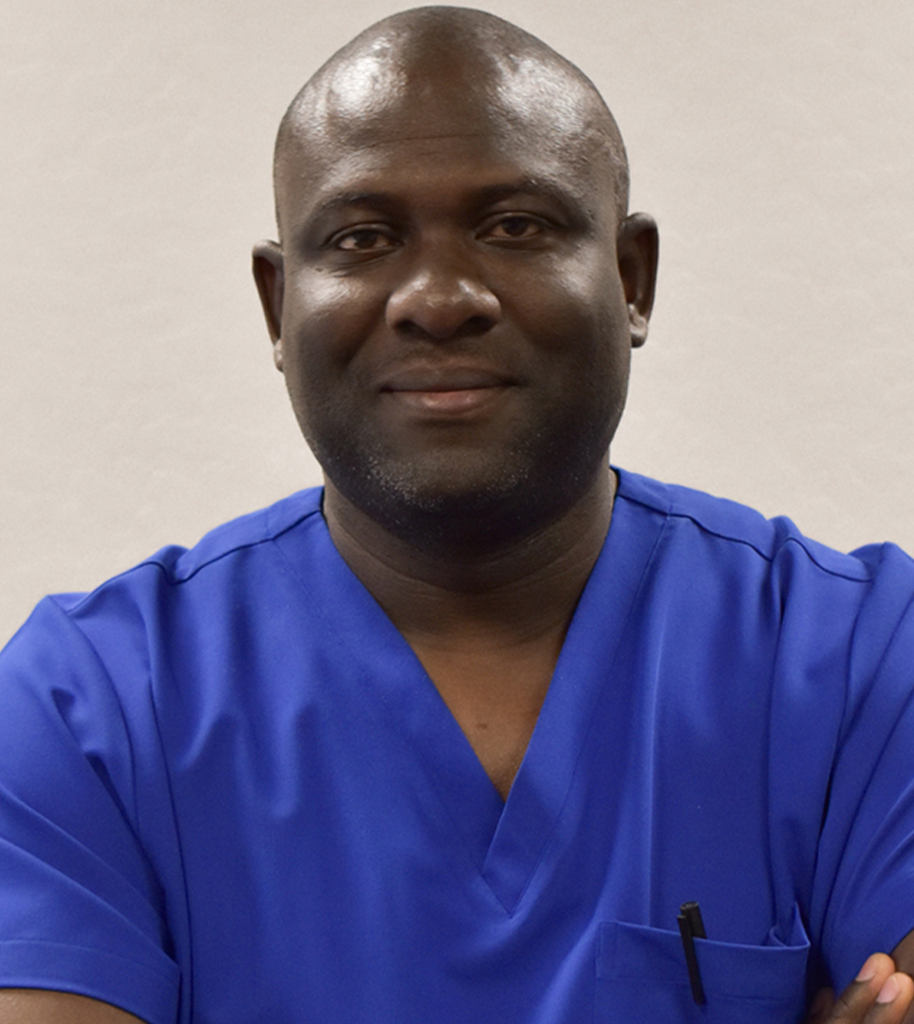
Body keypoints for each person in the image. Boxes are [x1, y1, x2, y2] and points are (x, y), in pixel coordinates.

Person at [1, 7, 914, 1023]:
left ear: (630, 279)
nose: (438, 299)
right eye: (363, 238)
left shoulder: (860, 657)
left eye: (514, 226)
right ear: (277, 304)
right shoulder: (86, 708)